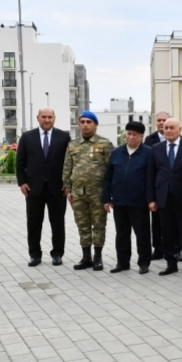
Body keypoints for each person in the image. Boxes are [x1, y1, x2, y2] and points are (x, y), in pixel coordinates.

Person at [16, 107, 71, 267]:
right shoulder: (27, 137)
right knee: (33, 223)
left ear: (54, 118)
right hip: (34, 188)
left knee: (58, 223)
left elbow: (69, 162)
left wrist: (67, 184)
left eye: (50, 117)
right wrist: (22, 182)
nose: (47, 120)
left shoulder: (64, 137)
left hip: (57, 188)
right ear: (37, 118)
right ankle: (34, 254)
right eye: (43, 117)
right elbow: (20, 162)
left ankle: (57, 253)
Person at [63, 111, 114, 271]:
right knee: (82, 225)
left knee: (98, 225)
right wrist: (68, 189)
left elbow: (111, 170)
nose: (85, 125)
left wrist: (108, 194)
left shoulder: (104, 144)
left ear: (95, 125)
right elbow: (67, 168)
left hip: (97, 193)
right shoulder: (72, 145)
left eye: (89, 122)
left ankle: (97, 257)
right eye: (82, 122)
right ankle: (86, 257)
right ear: (79, 124)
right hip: (78, 192)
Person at [147, 118, 182, 276]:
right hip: (163, 197)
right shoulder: (155, 148)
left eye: (171, 128)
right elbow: (150, 175)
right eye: (165, 127)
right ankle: (171, 263)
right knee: (166, 231)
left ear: (179, 129)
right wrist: (151, 199)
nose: (168, 130)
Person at [102, 121, 152, 274]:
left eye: (134, 135)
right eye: (128, 134)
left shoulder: (148, 153)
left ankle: (144, 262)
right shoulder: (117, 152)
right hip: (119, 201)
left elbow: (150, 178)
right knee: (122, 234)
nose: (131, 137)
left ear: (141, 136)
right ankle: (122, 262)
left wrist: (150, 200)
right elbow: (108, 177)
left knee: (142, 234)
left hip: (139, 202)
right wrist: (106, 198)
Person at [145, 111, 170, 260]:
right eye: (159, 120)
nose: (161, 123)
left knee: (173, 222)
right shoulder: (150, 140)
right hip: (157, 187)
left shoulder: (179, 138)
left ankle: (176, 248)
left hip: (173, 187)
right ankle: (158, 249)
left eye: (164, 120)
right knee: (156, 222)